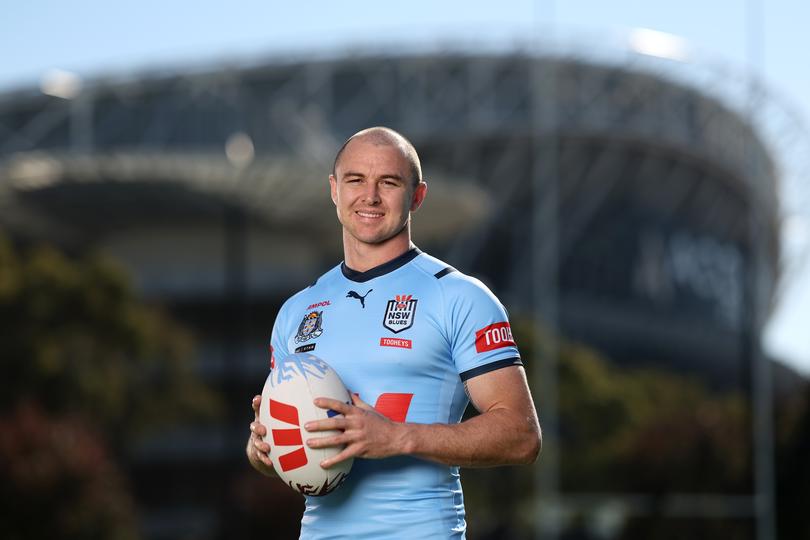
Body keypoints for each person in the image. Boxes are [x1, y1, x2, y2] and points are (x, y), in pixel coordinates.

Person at [247, 126, 541, 539]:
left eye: (388, 182)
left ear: (417, 196)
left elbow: (522, 436)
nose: (369, 196)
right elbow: (280, 455)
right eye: (355, 180)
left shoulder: (458, 296)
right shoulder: (296, 311)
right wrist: (262, 447)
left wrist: (398, 436)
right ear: (334, 190)